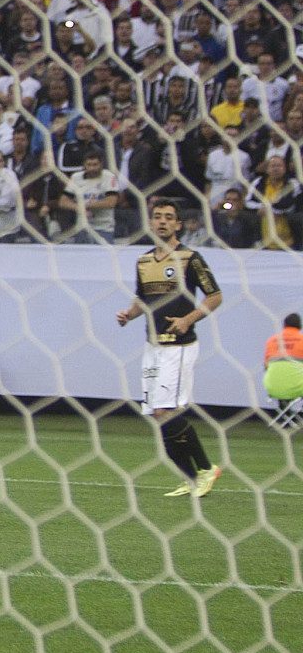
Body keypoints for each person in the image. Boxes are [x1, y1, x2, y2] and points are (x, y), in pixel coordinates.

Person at [116, 198, 222, 498]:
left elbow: (214, 296)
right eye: (157, 216)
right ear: (151, 222)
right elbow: (142, 299)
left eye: (169, 217)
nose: (162, 221)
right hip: (152, 345)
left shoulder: (191, 258)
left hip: (180, 345)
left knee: (167, 410)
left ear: (178, 224)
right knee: (156, 414)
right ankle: (190, 479)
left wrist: (189, 319)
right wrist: (129, 314)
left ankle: (205, 468)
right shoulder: (144, 261)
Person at [264, 313, 303, 409]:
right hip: (298, 388)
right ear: (300, 326)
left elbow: (266, 366)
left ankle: (285, 412)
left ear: (284, 325)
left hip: (273, 388)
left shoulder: (271, 340)